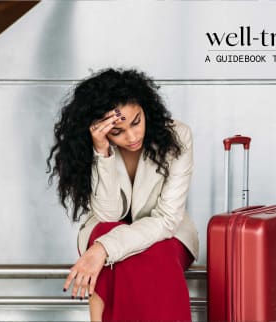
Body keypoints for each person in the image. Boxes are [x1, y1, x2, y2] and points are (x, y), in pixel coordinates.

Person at [46, 68, 199, 321]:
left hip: (168, 233)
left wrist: (103, 249)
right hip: (106, 230)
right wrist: (102, 151)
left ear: (144, 107)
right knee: (107, 232)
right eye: (117, 132)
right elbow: (108, 214)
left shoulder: (178, 136)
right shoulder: (98, 146)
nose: (132, 136)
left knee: (153, 252)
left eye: (136, 121)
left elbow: (166, 220)